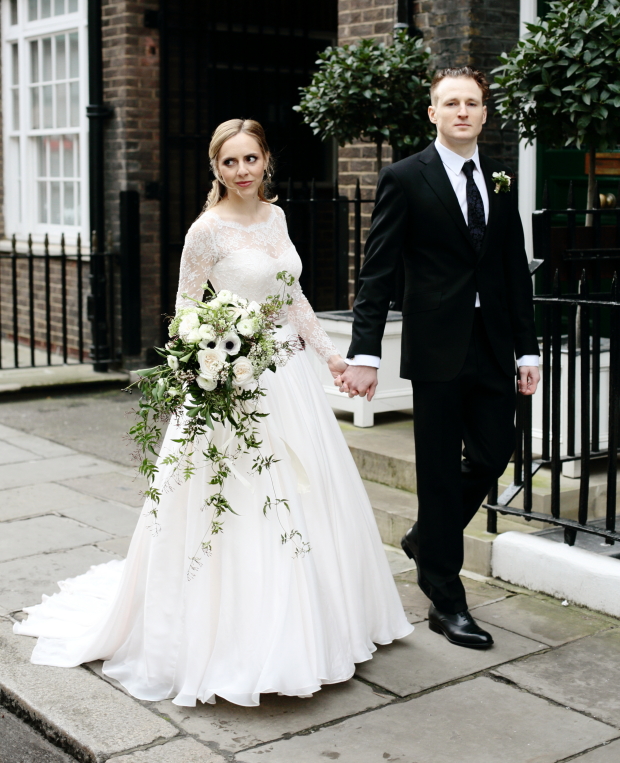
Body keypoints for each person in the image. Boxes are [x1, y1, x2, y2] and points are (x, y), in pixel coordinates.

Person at [14, 118, 412, 707]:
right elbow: (183, 309)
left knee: (308, 498)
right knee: (241, 504)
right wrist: (203, 366)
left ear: (266, 160)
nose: (242, 171)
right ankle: (237, 641)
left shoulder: (277, 217)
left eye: (250, 159)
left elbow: (292, 298)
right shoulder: (205, 231)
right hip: (232, 383)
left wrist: (331, 357)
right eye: (230, 163)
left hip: (289, 380)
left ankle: (319, 625)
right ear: (216, 169)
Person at [338, 67, 539, 650]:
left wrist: (528, 348)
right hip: (435, 346)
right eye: (450, 102)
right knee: (436, 468)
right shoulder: (405, 177)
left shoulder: (501, 180)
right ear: (432, 113)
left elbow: (510, 270)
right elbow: (377, 270)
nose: (461, 112)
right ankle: (445, 598)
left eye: (472, 103)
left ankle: (429, 536)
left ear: (483, 114)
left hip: (495, 343)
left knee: (494, 451)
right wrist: (365, 353)